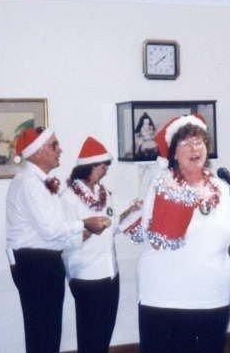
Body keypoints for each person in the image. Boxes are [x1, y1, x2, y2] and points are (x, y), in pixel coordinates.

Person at [124, 115, 230, 353]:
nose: (195, 148)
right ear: (174, 153)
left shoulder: (223, 187)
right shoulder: (161, 184)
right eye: (185, 143)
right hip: (165, 299)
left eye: (199, 142)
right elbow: (151, 237)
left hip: (212, 297)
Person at [6, 126, 111, 353]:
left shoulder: (40, 181)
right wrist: (85, 224)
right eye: (54, 145)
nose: (60, 150)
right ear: (37, 152)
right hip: (36, 263)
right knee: (43, 333)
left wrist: (81, 234)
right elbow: (51, 230)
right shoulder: (29, 183)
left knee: (48, 333)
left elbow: (56, 232)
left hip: (45, 261)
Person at [61, 136, 140, 353]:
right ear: (89, 166)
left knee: (104, 332)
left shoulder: (104, 193)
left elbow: (112, 226)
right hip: (86, 275)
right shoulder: (69, 197)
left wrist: (131, 212)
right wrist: (89, 229)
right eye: (102, 166)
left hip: (110, 273)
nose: (105, 170)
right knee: (90, 335)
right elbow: (64, 239)